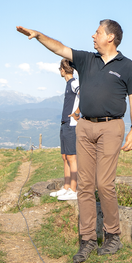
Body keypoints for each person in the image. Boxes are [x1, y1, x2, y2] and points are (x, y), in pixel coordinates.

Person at [16, 21, 132, 263]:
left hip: (111, 126)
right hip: (84, 127)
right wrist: (39, 36)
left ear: (110, 37)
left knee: (104, 184)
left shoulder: (126, 66)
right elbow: (60, 49)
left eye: (97, 32)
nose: (93, 36)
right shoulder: (87, 59)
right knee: (84, 185)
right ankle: (86, 240)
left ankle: (112, 235)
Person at [49, 58, 79, 201]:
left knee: (72, 157)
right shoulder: (69, 84)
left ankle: (74, 189)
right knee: (65, 157)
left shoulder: (74, 83)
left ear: (62, 69)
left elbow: (84, 95)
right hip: (65, 123)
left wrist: (77, 112)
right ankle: (66, 187)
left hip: (72, 124)